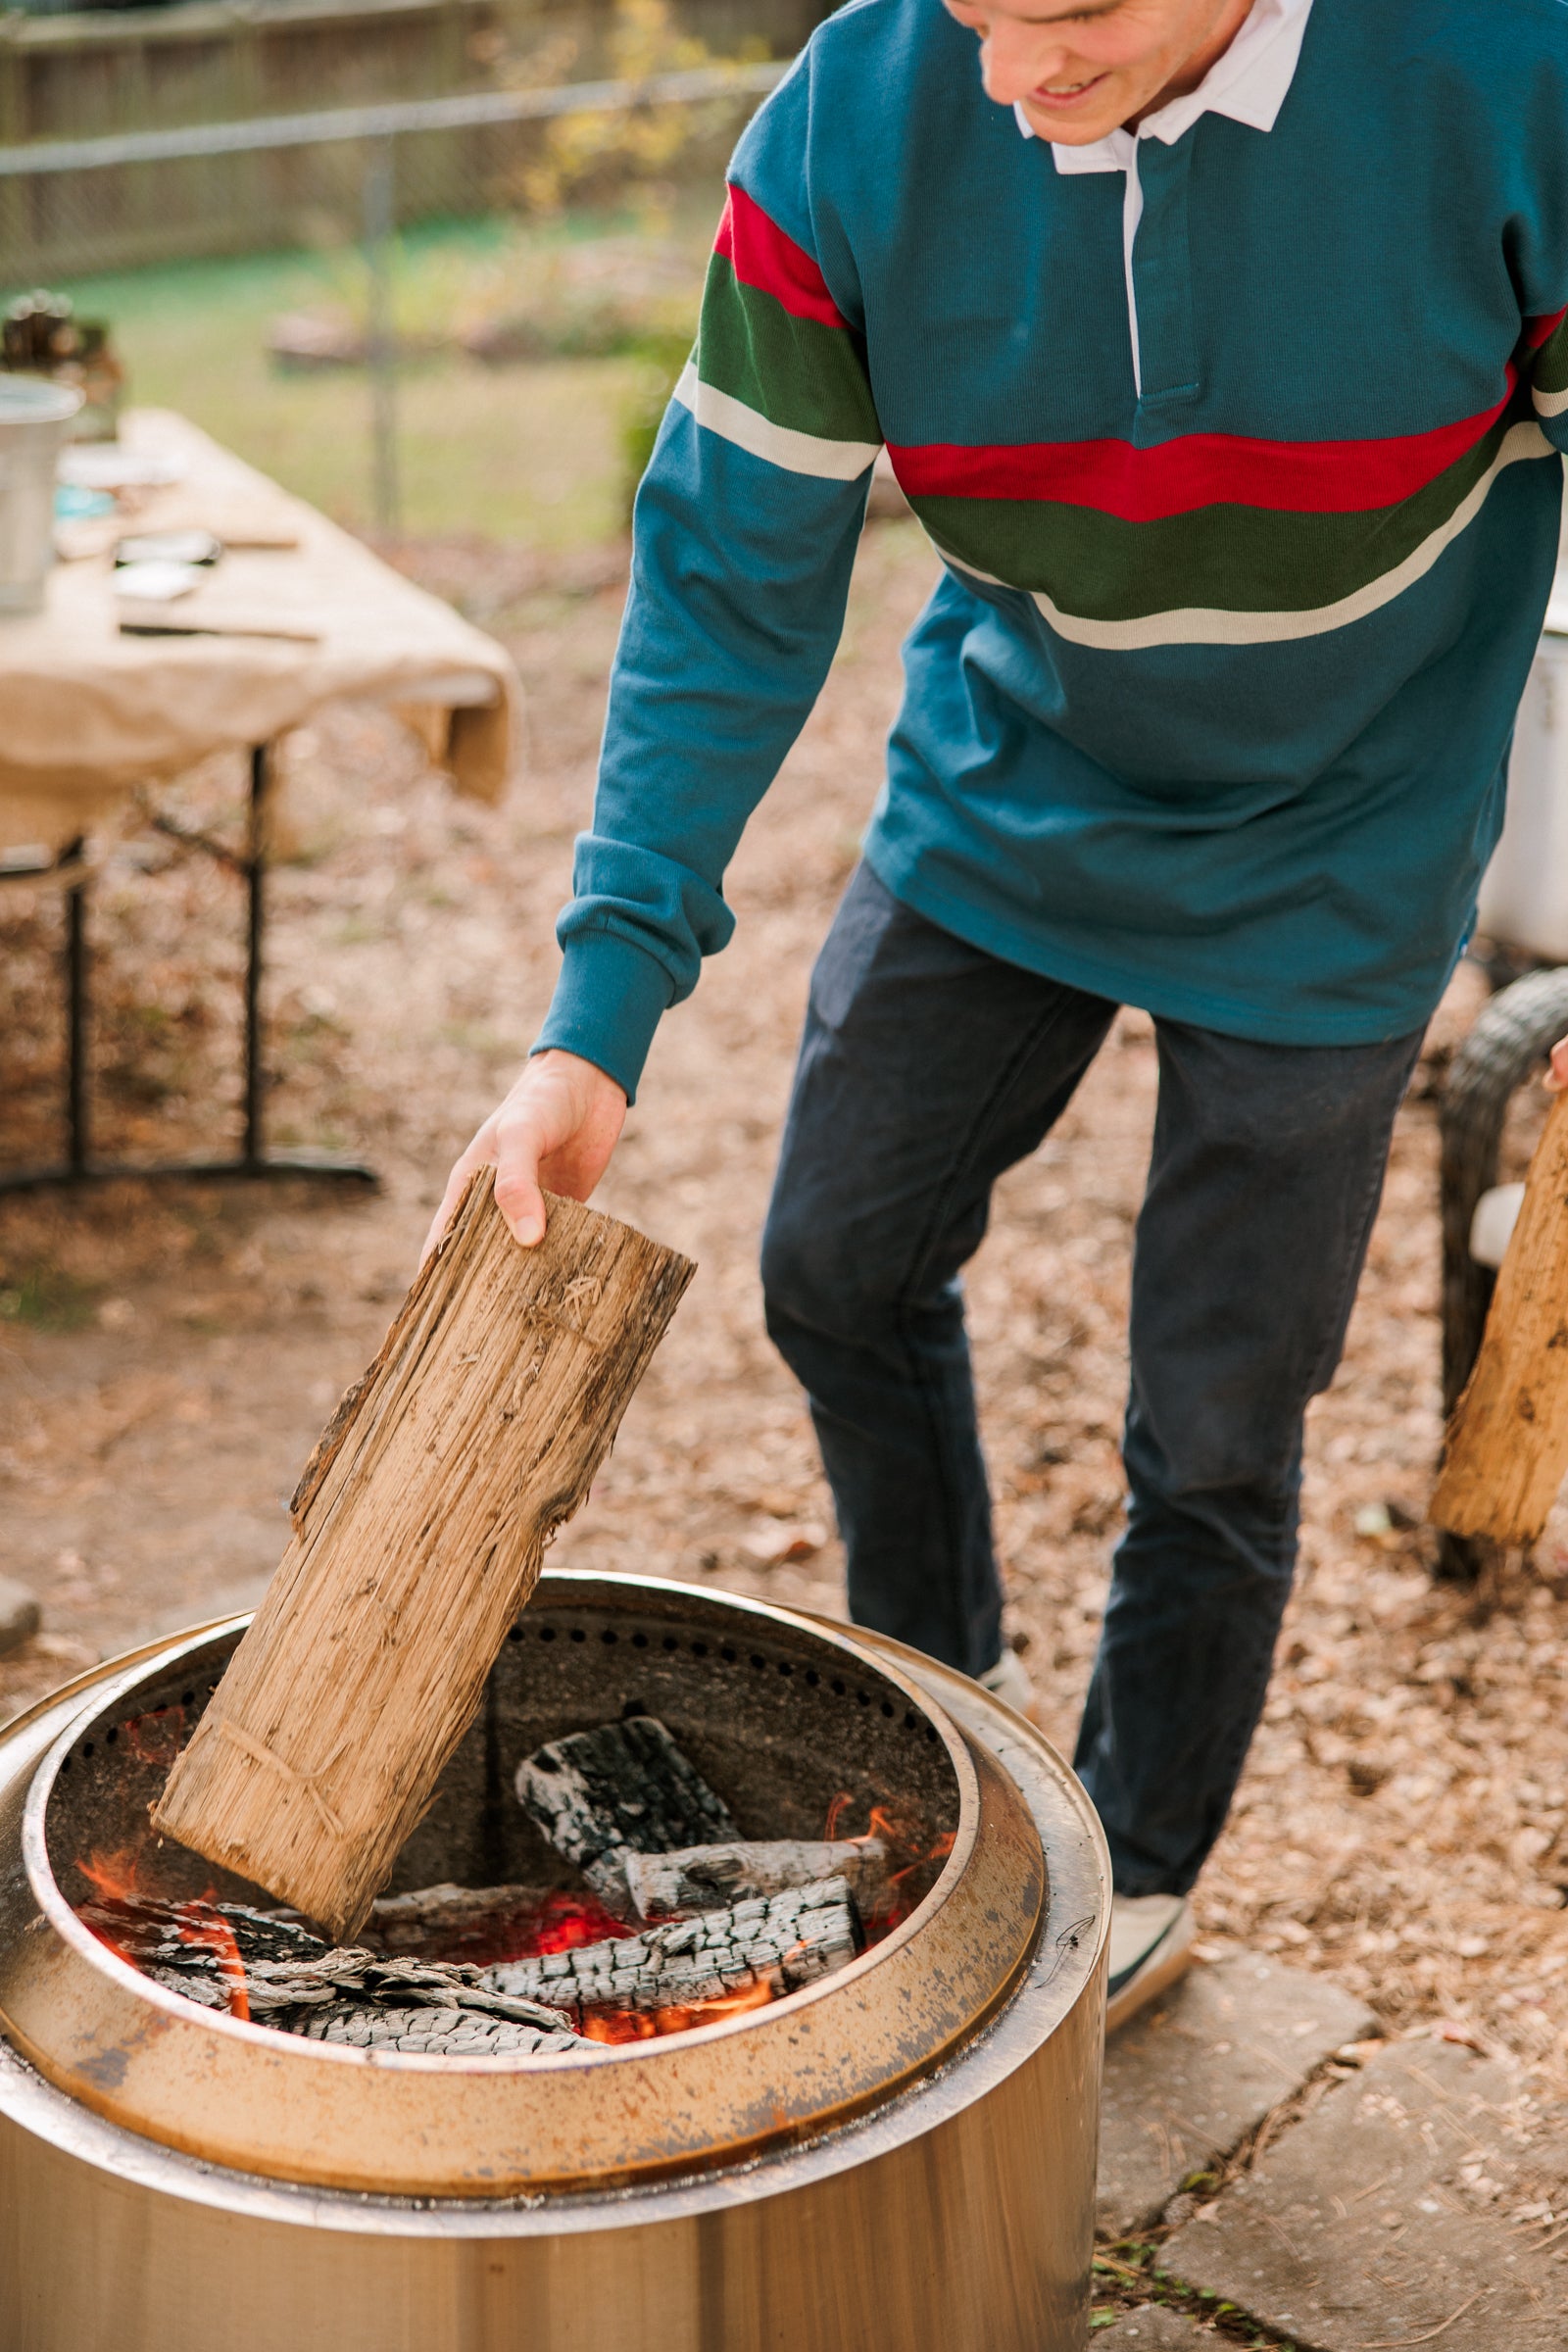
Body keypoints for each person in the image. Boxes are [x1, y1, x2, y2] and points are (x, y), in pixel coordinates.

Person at [430, 0, 1568, 2028]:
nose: (1006, 76)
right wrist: (593, 1017)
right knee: (835, 1271)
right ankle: (952, 1724)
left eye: (1074, 18)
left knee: (1212, 1425)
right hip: (1007, 789)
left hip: (1346, 846)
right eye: (978, 9)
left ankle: (1129, 1863)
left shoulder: (1506, 74)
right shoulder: (858, 114)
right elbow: (726, 577)